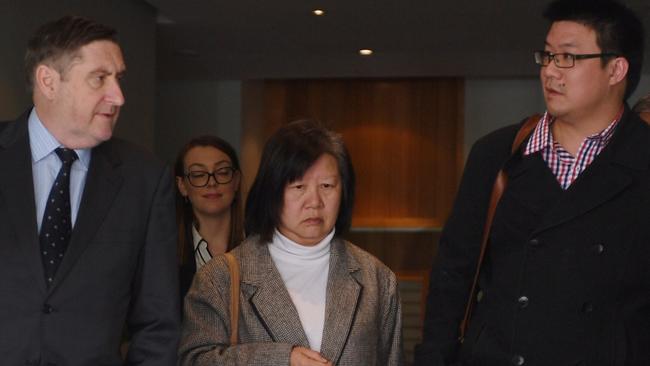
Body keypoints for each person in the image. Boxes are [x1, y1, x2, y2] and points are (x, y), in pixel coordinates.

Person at [414, 0, 646, 365]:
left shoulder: (641, 158)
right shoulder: (497, 153)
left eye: (568, 58)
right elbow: (452, 277)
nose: (550, 72)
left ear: (616, 69)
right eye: (547, 56)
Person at [0, 16, 179, 365]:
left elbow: (158, 322)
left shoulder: (145, 179)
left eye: (118, 78)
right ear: (48, 81)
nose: (119, 96)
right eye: (100, 78)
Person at [179, 120, 403, 365]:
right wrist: (280, 359)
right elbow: (195, 360)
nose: (314, 202)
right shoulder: (219, 278)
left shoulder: (377, 279)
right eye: (299, 187)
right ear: (272, 191)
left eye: (327, 186)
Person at [174, 135, 244, 300]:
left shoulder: (263, 246)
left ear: (236, 180)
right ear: (182, 186)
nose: (211, 183)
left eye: (222, 172)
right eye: (198, 174)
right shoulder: (165, 253)